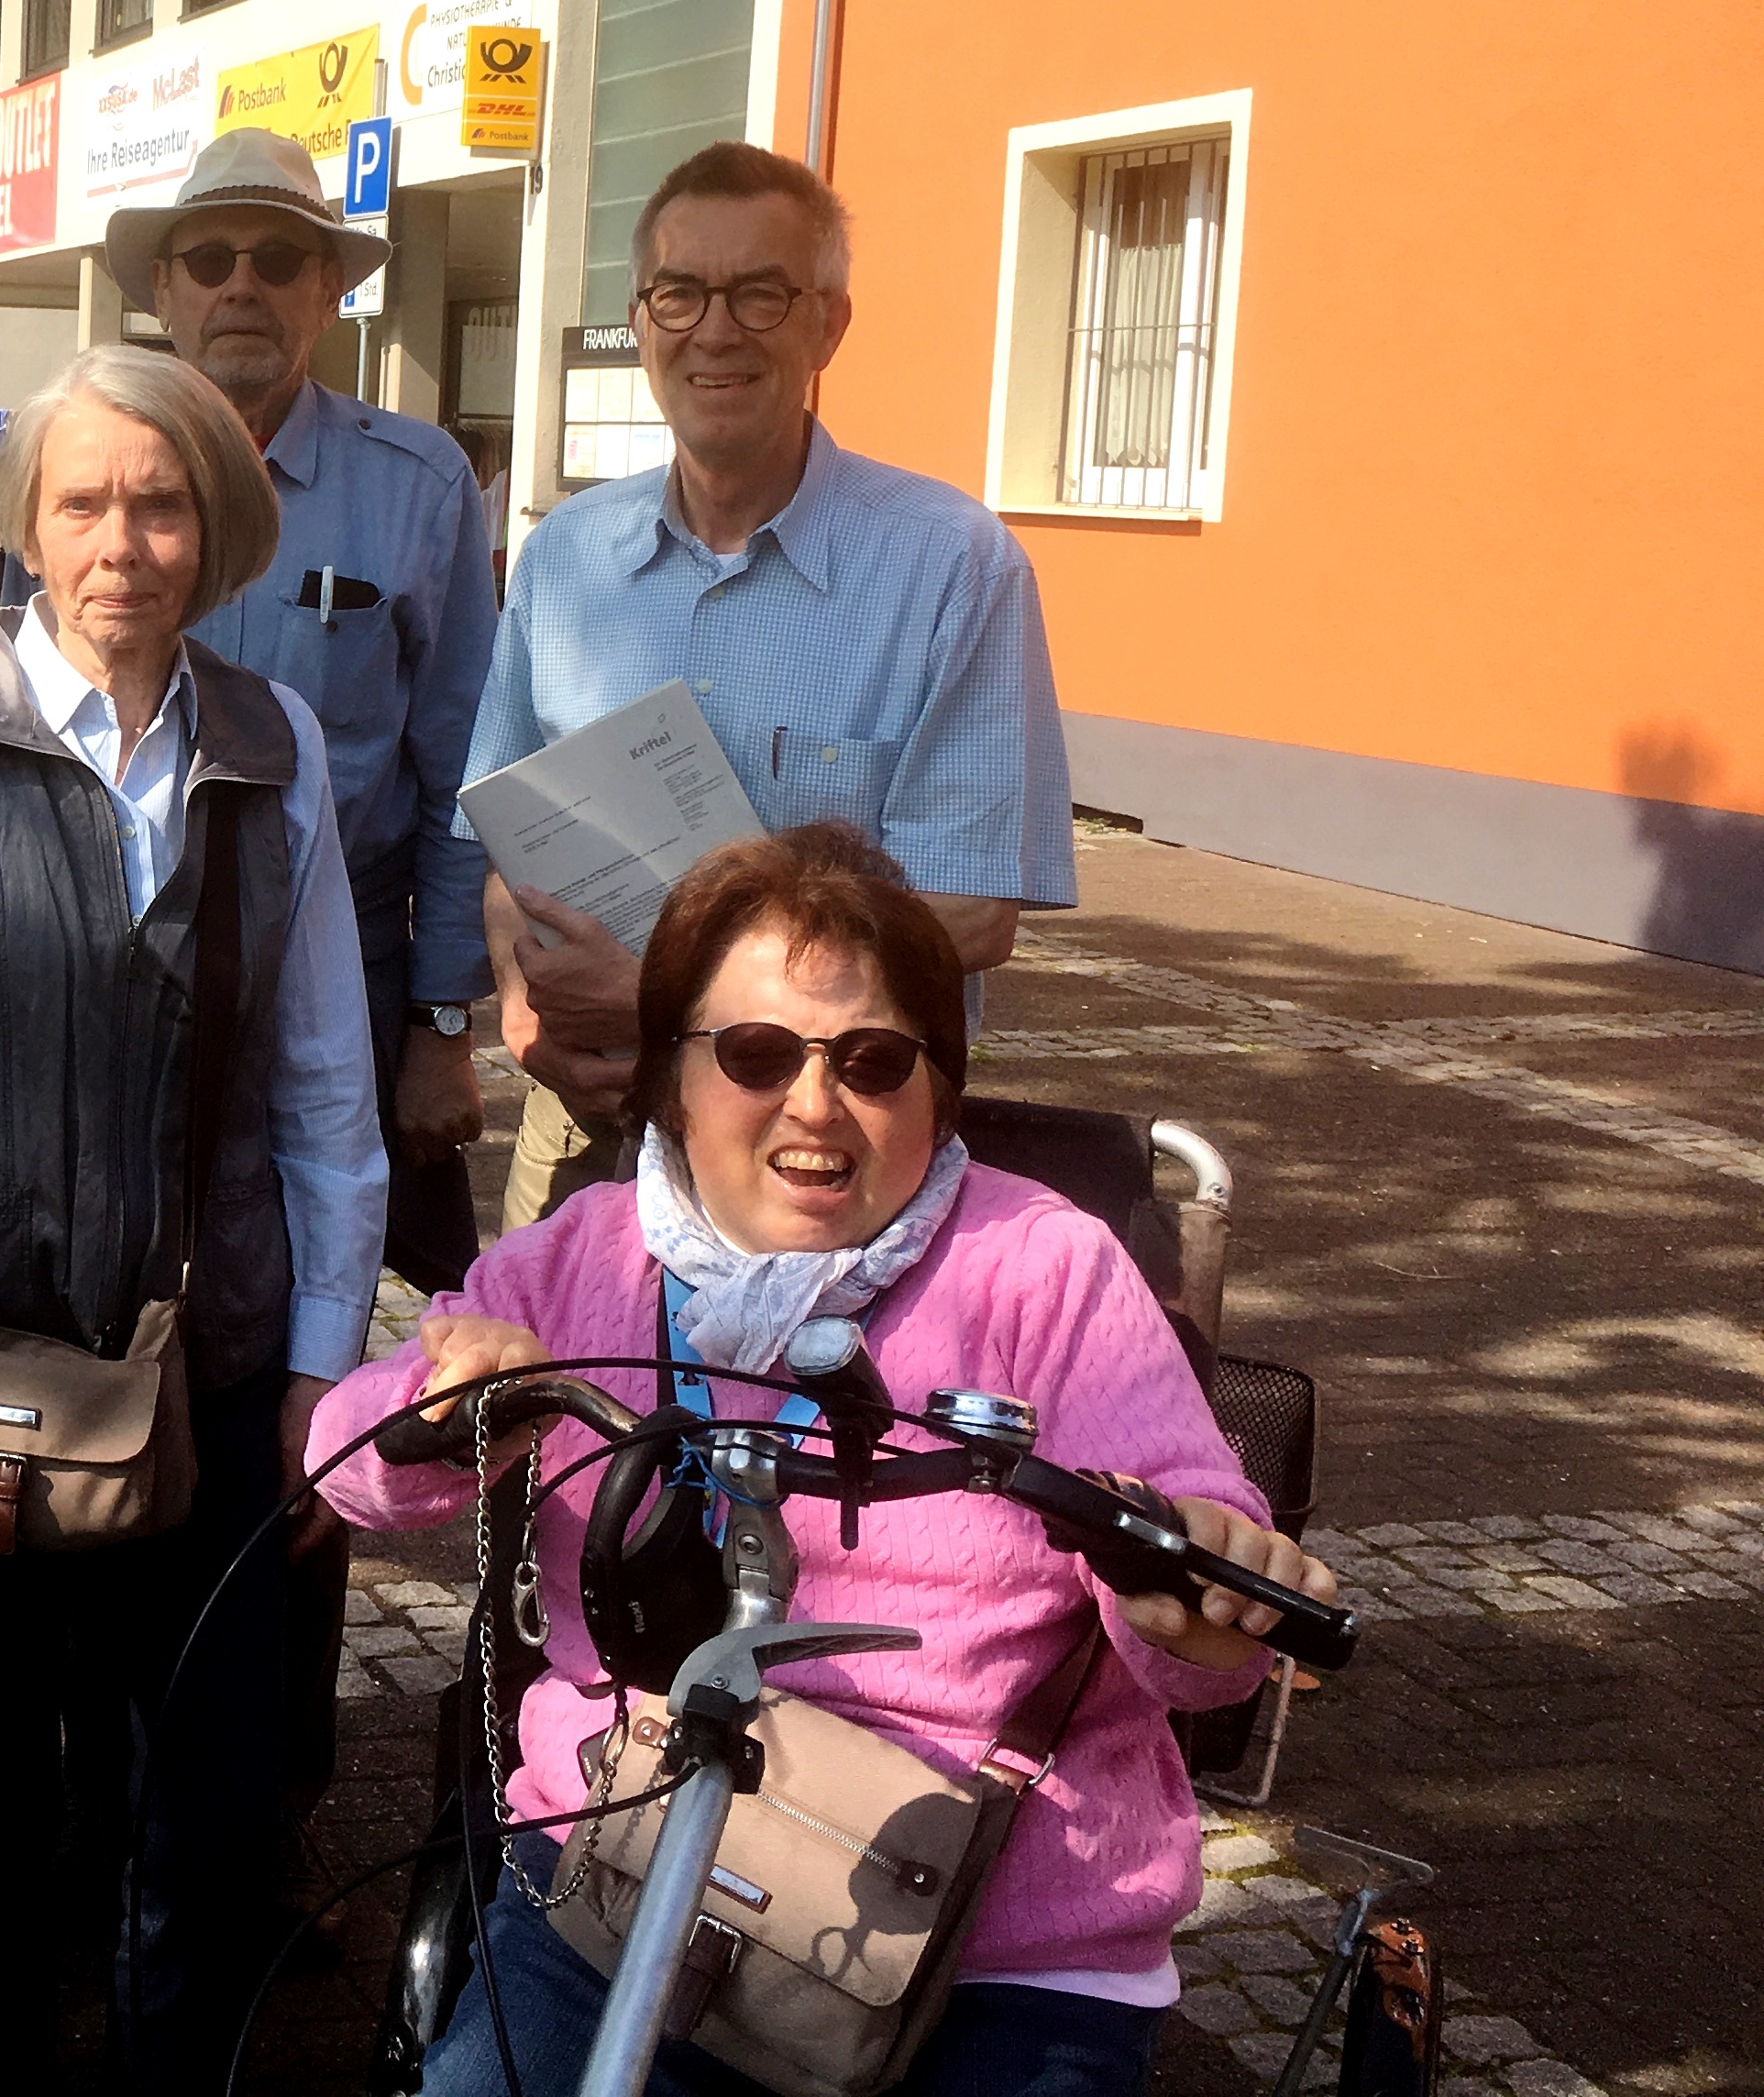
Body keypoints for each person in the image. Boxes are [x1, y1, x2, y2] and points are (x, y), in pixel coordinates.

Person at [310, 823, 1333, 2097]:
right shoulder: (582, 1259)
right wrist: (444, 1402)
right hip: (617, 1871)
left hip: (994, 1940)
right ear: (671, 1080)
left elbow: (1198, 1556)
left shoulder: (1046, 1267)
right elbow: (347, 1462)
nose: (814, 1103)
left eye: (873, 1060)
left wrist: (1195, 1595)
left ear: (936, 1085)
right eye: (753, 1053)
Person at [0, 344, 391, 2093]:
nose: (121, 535)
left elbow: (323, 1084)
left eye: (161, 497)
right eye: (82, 500)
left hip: (213, 1360)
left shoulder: (280, 748)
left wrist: (323, 1369)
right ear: (26, 528)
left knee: (190, 1820)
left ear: (216, 524)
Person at [103, 123, 502, 1920]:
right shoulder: (98, 461)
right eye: (211, 258)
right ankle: (120, 1781)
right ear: (161, 285)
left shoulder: (420, 489)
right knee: (115, 1386)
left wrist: (439, 1014)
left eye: (281, 257)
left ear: (335, 290)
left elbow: (465, 776)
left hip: (334, 1051)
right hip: (121, 1047)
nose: (244, 287)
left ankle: (265, 1807)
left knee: (306, 1405)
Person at [469, 141, 1075, 1220]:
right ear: (642, 318)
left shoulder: (952, 568)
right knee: (559, 1382)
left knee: (798, 1399)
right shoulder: (562, 558)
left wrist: (668, 1008)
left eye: (759, 294)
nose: (714, 330)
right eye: (681, 293)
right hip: (590, 1123)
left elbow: (974, 914)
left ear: (828, 323)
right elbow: (513, 856)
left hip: (832, 1144)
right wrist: (523, 1005)